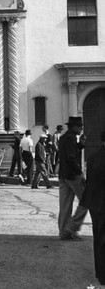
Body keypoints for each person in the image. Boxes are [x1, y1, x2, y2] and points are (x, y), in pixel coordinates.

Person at [80, 130, 105, 285]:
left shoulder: (93, 158)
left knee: (99, 239)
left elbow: (90, 183)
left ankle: (101, 274)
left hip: (96, 205)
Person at [58, 116, 87, 241]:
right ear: (74, 127)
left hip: (63, 175)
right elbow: (71, 158)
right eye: (80, 126)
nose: (81, 129)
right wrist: (80, 173)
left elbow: (69, 153)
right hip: (73, 175)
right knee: (87, 200)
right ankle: (73, 226)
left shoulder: (64, 138)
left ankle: (64, 232)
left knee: (65, 205)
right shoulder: (70, 138)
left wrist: (80, 145)